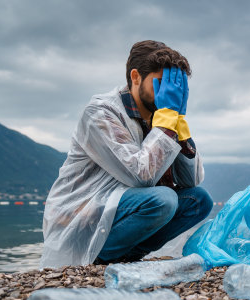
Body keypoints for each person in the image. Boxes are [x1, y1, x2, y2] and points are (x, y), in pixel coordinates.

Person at [40, 40, 213, 269]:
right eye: (160, 83)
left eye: (175, 89)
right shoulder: (101, 113)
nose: (167, 94)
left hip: (125, 205)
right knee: (163, 199)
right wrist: (167, 121)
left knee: (198, 200)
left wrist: (178, 122)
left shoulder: (161, 115)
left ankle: (128, 256)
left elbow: (190, 180)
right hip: (85, 216)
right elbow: (140, 176)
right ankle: (100, 258)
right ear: (135, 77)